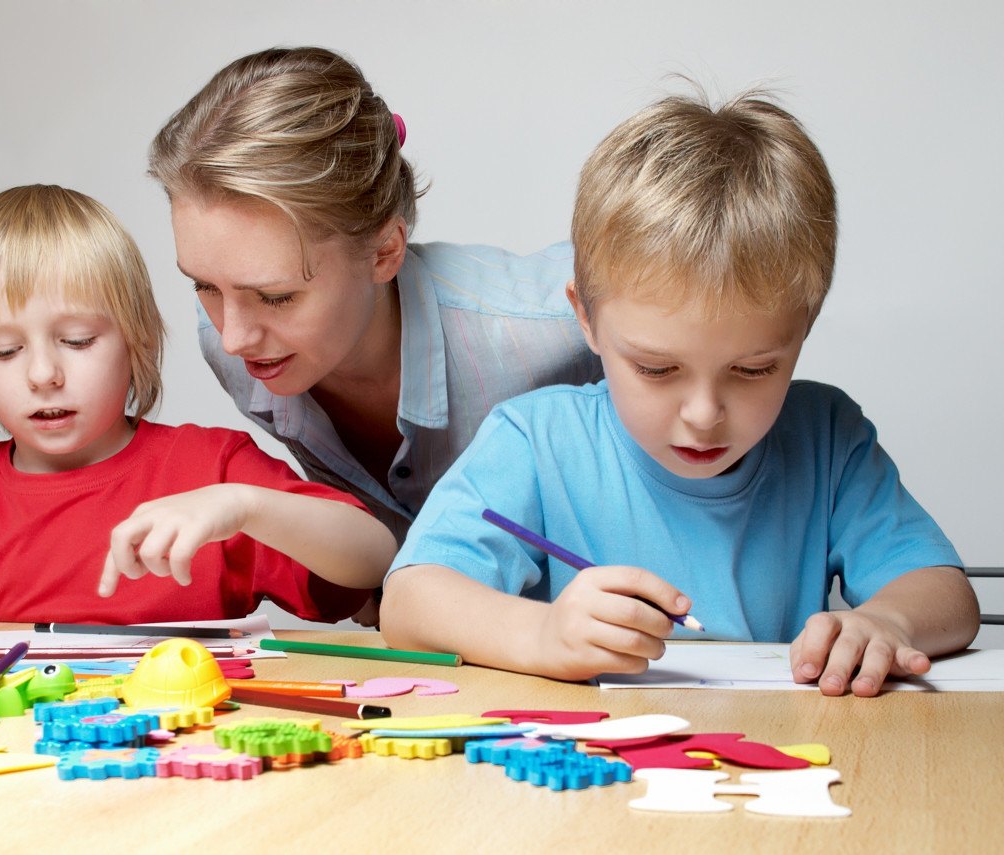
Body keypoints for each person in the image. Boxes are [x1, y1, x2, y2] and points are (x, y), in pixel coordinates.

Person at [380, 88, 980, 696]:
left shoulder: (827, 437)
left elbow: (947, 593)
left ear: (805, 327)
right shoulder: (536, 441)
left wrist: (885, 621)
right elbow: (409, 601)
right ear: (585, 318)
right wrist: (542, 635)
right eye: (657, 369)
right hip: (590, 765)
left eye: (752, 371)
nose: (702, 415)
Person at [0, 184, 395, 626]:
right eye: (4, 350)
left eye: (77, 341)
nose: (44, 375)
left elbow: (373, 557)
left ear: (137, 338)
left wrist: (245, 505)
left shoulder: (211, 470)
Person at [148, 46, 603, 547]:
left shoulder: (551, 326)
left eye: (276, 297)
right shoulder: (233, 348)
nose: (232, 338)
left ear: (385, 252)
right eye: (205, 286)